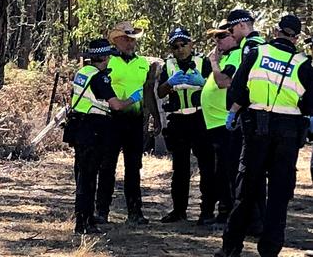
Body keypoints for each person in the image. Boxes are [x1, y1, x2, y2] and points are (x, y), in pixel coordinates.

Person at [215, 15, 313, 257]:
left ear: (277, 31)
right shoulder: (303, 64)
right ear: (296, 37)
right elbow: (310, 103)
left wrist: (235, 111)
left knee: (246, 191)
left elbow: (237, 89)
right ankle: (270, 254)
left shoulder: (257, 53)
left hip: (256, 130)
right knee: (279, 195)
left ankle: (231, 249)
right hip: (288, 134)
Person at [66, 39, 143, 234]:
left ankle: (84, 218)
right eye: (108, 56)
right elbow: (115, 105)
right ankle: (84, 222)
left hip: (79, 127)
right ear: (103, 57)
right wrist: (133, 98)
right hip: (93, 128)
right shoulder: (100, 78)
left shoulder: (83, 73)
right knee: (89, 177)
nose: (110, 59)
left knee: (82, 176)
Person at [96, 21, 160, 225]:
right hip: (111, 119)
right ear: (115, 40)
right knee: (107, 165)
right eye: (126, 39)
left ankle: (135, 212)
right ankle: (102, 211)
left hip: (135, 121)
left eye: (132, 39)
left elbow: (149, 92)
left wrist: (156, 117)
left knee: (134, 166)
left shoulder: (143, 63)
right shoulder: (108, 62)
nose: (130, 43)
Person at [157, 27, 216, 224]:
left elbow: (216, 86)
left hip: (200, 119)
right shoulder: (168, 65)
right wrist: (169, 83)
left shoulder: (203, 62)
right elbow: (160, 92)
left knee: (207, 167)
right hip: (178, 121)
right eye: (175, 46)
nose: (180, 49)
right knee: (180, 168)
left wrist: (203, 82)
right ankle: (178, 211)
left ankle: (207, 212)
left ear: (191, 44)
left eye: (183, 44)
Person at [225, 9, 267, 236]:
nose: (231, 34)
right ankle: (257, 220)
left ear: (242, 25)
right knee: (255, 173)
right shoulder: (262, 45)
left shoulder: (252, 46)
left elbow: (245, 83)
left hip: (250, 116)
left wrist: (234, 110)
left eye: (231, 29)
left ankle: (253, 222)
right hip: (256, 115)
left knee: (246, 172)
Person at [200, 22, 242, 226]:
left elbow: (223, 81)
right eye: (215, 37)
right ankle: (221, 210)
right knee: (219, 170)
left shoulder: (236, 55)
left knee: (226, 170)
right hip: (214, 123)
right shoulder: (227, 56)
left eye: (222, 36)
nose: (217, 41)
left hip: (225, 122)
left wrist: (214, 63)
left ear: (234, 36)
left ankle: (227, 212)